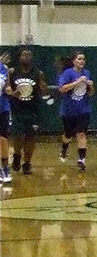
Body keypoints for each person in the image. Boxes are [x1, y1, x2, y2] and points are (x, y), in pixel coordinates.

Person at [7, 48, 45, 176]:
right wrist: (13, 93)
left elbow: (43, 90)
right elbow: (7, 90)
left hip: (33, 109)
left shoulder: (38, 73)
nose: (27, 57)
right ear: (19, 57)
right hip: (17, 109)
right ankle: (17, 154)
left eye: (29, 55)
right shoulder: (12, 72)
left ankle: (27, 163)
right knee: (18, 136)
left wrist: (43, 88)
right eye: (24, 55)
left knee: (31, 137)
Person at [57, 51, 94, 171]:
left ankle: (82, 159)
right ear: (74, 61)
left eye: (83, 59)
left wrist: (91, 85)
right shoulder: (68, 73)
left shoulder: (87, 73)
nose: (82, 61)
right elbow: (62, 89)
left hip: (83, 109)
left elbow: (91, 92)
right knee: (68, 134)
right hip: (68, 110)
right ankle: (64, 147)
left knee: (81, 133)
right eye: (79, 59)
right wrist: (78, 82)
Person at [0, 52, 10, 185]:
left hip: (3, 107)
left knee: (3, 138)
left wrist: (9, 89)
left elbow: (8, 86)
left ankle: (5, 168)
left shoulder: (4, 68)